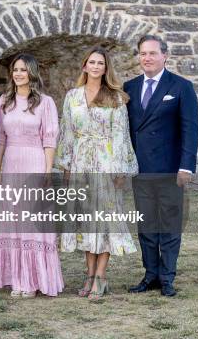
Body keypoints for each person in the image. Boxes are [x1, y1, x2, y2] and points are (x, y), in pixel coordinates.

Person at [56, 46, 138, 300]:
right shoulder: (73, 96)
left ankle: (101, 276)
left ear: (105, 68)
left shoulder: (115, 97)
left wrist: (120, 169)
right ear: (84, 66)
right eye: (91, 62)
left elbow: (121, 135)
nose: (95, 66)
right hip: (81, 162)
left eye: (100, 63)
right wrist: (66, 165)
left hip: (106, 162)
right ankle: (88, 274)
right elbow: (67, 132)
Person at [124, 35, 198, 297]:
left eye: (152, 53)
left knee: (168, 225)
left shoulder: (181, 86)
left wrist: (186, 166)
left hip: (170, 170)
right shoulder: (129, 87)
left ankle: (167, 278)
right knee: (146, 226)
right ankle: (151, 275)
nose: (147, 58)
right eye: (143, 53)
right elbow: (126, 131)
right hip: (140, 170)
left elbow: (191, 129)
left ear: (164, 56)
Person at [0, 54, 63, 298]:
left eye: (23, 69)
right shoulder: (4, 100)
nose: (19, 73)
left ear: (32, 73)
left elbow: (50, 138)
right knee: (13, 222)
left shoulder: (45, 102)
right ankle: (17, 279)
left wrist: (47, 171)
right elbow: (1, 137)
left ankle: (34, 280)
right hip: (11, 162)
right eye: (15, 69)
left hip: (34, 162)